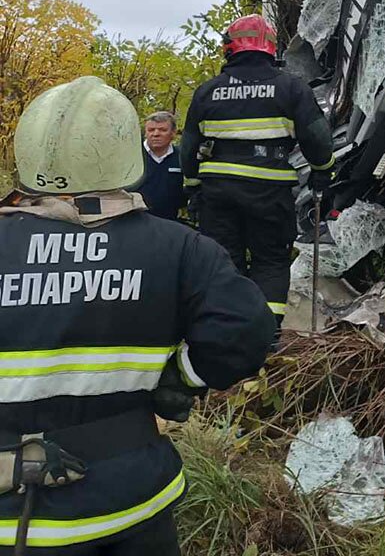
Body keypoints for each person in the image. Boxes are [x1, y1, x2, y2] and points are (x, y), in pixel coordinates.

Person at [0, 76, 274, 555]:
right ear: (126, 153)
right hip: (127, 510)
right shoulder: (179, 247)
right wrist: (180, 378)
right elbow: (247, 328)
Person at [181, 14, 335, 326]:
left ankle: (230, 332)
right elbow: (317, 138)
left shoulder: (208, 92)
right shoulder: (291, 89)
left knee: (225, 262)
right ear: (270, 48)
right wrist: (322, 171)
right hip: (269, 191)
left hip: (218, 193)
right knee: (271, 261)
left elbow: (188, 148)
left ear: (230, 48)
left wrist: (192, 188)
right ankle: (266, 336)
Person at [139, 111, 185, 220]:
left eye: (162, 130)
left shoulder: (182, 157)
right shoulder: (133, 156)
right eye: (151, 130)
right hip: (135, 221)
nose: (155, 134)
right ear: (145, 133)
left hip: (169, 222)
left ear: (173, 133)